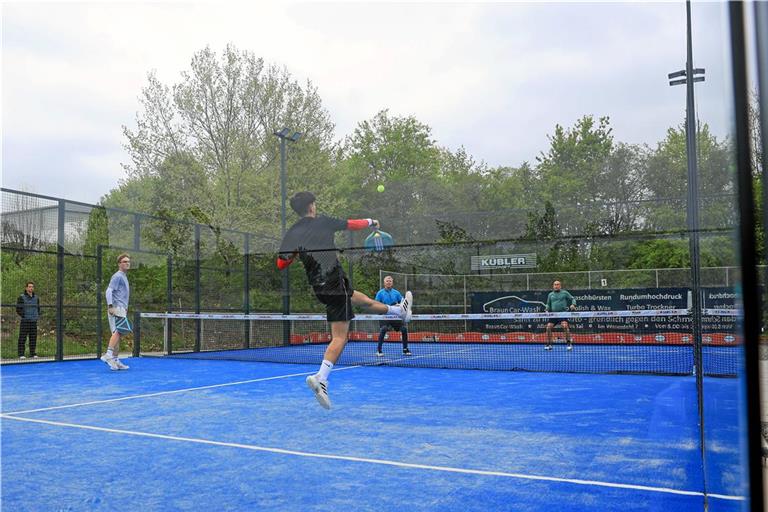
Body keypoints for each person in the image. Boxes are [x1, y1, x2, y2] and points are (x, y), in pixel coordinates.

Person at [277, 192, 412, 409]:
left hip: (319, 286)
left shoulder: (293, 232)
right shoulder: (323, 222)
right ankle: (321, 378)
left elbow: (281, 264)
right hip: (333, 281)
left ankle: (398, 311)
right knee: (340, 338)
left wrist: (296, 252)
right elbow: (352, 225)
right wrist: (371, 221)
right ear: (311, 206)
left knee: (362, 299)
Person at [101, 253, 131, 370]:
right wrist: (110, 306)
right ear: (119, 264)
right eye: (124, 261)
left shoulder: (124, 276)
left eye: (128, 261)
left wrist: (125, 308)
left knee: (117, 334)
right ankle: (108, 354)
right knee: (118, 331)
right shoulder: (117, 276)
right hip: (116, 308)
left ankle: (115, 360)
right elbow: (109, 291)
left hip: (121, 309)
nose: (127, 263)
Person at [374, 275, 411, 356]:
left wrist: (399, 305)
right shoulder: (380, 293)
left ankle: (405, 349)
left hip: (395, 317)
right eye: (387, 281)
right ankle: (379, 350)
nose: (389, 282)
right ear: (384, 283)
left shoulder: (396, 293)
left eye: (390, 281)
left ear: (392, 283)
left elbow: (402, 303)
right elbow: (376, 305)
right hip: (384, 316)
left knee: (404, 329)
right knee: (383, 329)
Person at [544, 280, 576, 351]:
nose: (556, 286)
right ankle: (549, 343)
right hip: (553, 315)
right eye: (555, 284)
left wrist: (573, 304)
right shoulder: (550, 294)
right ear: (553, 286)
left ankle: (568, 343)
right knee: (548, 327)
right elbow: (548, 304)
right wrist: (546, 309)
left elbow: (572, 298)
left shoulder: (564, 293)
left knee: (565, 326)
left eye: (558, 284)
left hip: (563, 314)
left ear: (560, 286)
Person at [15, 281, 41, 359]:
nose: (31, 288)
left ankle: (32, 353)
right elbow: (18, 309)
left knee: (33, 338)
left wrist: (36, 315)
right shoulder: (21, 297)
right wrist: (24, 315)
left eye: (32, 287)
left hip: (33, 321)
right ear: (26, 288)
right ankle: (21, 354)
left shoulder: (36, 298)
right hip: (25, 321)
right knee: (22, 338)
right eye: (29, 286)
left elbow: (38, 308)